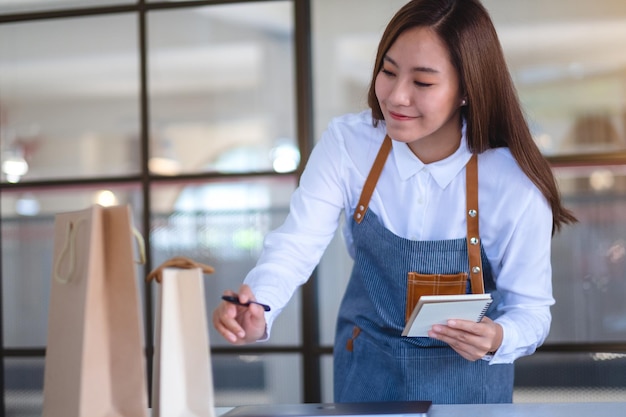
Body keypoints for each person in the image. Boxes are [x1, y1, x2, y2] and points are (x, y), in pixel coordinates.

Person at [213, 0, 577, 404]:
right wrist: (259, 307)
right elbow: (297, 244)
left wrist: (497, 337)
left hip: (468, 389)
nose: (396, 96)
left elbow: (532, 310)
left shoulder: (513, 183)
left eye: (422, 83)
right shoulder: (349, 144)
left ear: (467, 90)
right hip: (367, 372)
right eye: (388, 71)